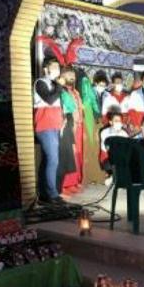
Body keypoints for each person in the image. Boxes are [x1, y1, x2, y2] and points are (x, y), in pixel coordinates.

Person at [33, 58, 64, 204]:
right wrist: (59, 86)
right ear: (46, 69)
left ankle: (43, 193)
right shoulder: (40, 83)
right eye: (54, 67)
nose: (57, 70)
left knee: (47, 160)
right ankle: (52, 194)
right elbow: (50, 100)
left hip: (55, 126)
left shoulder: (55, 84)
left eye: (58, 67)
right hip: (44, 126)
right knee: (53, 159)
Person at [57, 66, 85, 195]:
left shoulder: (75, 92)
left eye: (73, 74)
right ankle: (64, 184)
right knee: (68, 155)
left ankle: (74, 182)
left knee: (76, 155)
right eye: (68, 74)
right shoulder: (61, 91)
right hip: (67, 126)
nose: (72, 76)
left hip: (78, 126)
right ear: (61, 76)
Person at [99, 112, 129, 185]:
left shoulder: (124, 134)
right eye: (116, 121)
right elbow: (107, 149)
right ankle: (114, 176)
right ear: (111, 122)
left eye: (120, 121)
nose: (118, 123)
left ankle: (114, 178)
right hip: (107, 159)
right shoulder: (104, 132)